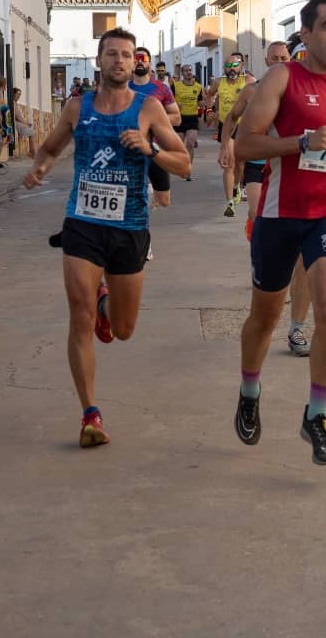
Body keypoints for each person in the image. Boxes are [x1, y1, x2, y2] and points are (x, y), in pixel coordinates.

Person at [21, 27, 191, 448]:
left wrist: (150, 150)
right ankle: (90, 414)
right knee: (78, 315)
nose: (119, 60)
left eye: (126, 55)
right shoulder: (77, 107)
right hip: (83, 222)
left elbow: (184, 164)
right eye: (111, 54)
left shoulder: (148, 108)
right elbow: (51, 148)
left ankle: (105, 304)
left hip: (130, 226)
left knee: (123, 328)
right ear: (98, 61)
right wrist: (40, 168)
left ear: (136, 63)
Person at [233, 0, 326, 465]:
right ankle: (250, 391)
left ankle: (317, 415)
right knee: (265, 318)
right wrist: (300, 142)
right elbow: (246, 145)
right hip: (280, 213)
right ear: (307, 33)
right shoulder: (281, 78)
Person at [219, 39, 313, 357]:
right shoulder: (253, 90)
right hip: (259, 167)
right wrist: (226, 145)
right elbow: (231, 117)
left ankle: (297, 328)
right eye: (274, 58)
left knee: (303, 256)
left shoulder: (304, 91)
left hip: (296, 175)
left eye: (284, 57)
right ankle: (261, 251)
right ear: (266, 60)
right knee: (257, 214)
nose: (280, 62)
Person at [206, 51, 255, 216]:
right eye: (228, 66)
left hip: (243, 126)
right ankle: (230, 202)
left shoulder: (249, 81)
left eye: (235, 65)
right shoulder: (218, 82)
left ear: (241, 66)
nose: (231, 69)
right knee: (229, 163)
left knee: (240, 164)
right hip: (226, 126)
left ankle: (236, 186)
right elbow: (210, 95)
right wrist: (209, 110)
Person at [129, 46, 181, 199]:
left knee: (164, 199)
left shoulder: (161, 89)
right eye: (136, 59)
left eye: (143, 59)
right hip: (129, 149)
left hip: (156, 148)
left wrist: (153, 121)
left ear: (149, 64)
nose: (139, 62)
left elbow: (177, 118)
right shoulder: (122, 88)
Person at [172, 64, 204, 180]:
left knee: (190, 143)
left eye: (190, 70)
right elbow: (168, 100)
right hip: (180, 118)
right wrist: (176, 104)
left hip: (192, 118)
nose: (189, 72)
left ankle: (188, 171)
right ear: (182, 73)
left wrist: (202, 104)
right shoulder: (175, 86)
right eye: (186, 71)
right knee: (179, 146)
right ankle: (180, 165)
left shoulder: (198, 87)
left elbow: (200, 101)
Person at [12, 87, 37, 159]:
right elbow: (18, 117)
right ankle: (32, 152)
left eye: (20, 94)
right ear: (14, 94)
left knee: (31, 130)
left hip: (19, 123)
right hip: (17, 123)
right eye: (18, 94)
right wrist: (26, 124)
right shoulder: (13, 103)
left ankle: (25, 152)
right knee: (32, 132)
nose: (19, 96)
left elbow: (20, 117)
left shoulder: (16, 104)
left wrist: (26, 123)